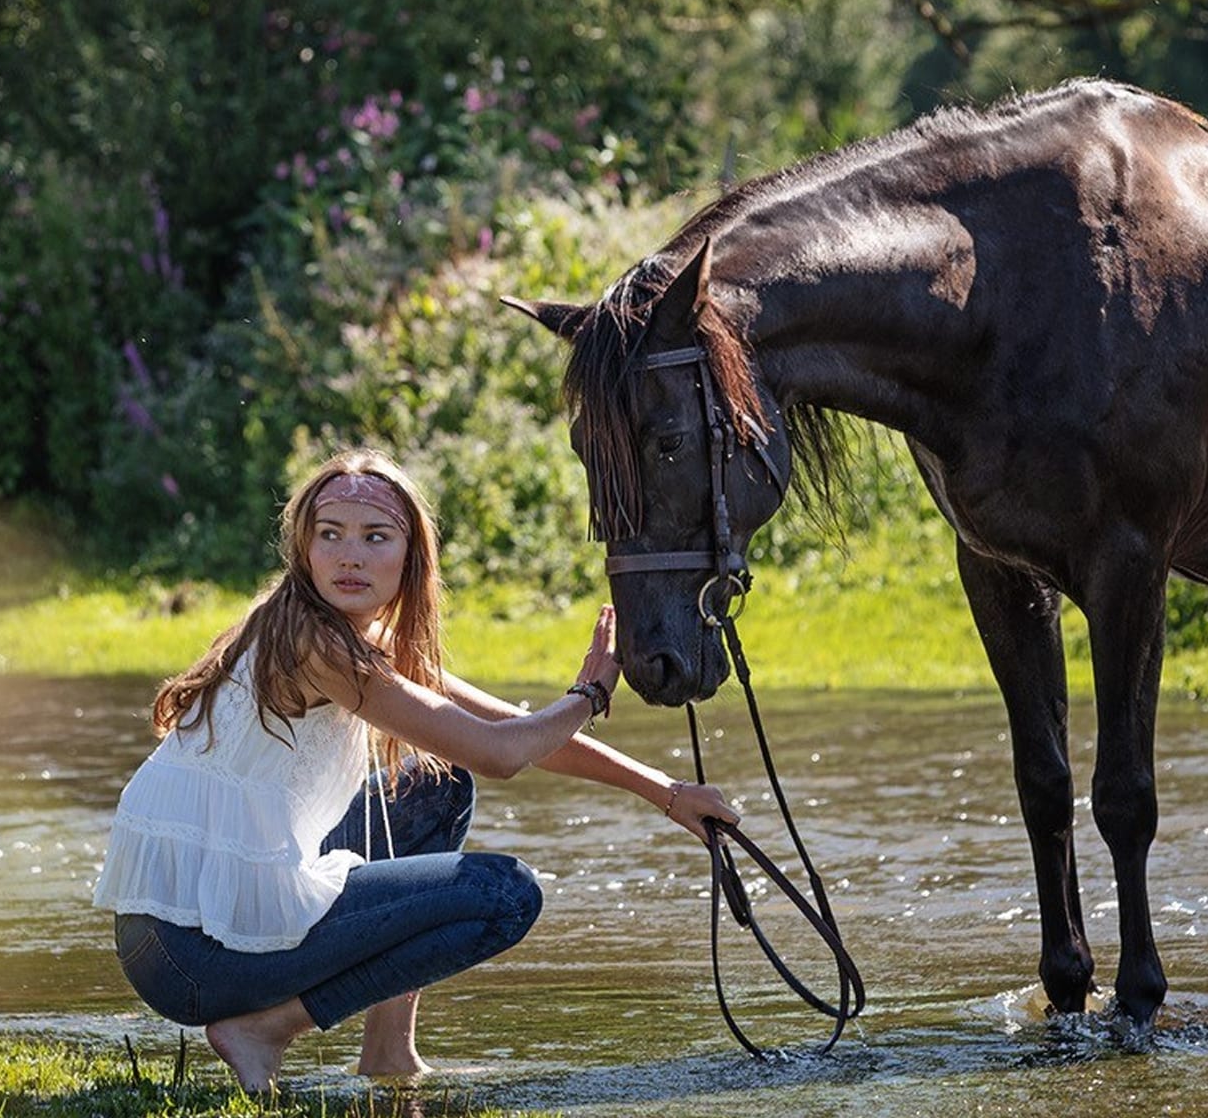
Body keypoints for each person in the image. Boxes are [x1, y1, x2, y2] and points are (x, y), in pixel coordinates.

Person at [91, 448, 738, 1091]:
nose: (350, 556)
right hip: (190, 955)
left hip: (184, 927)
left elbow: (505, 730)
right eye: (330, 535)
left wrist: (668, 793)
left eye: (375, 537)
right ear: (303, 549)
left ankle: (388, 1052)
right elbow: (502, 755)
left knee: (437, 785)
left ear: (410, 556)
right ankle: (267, 1027)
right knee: (504, 895)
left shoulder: (342, 635)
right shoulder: (314, 642)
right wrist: (589, 695)